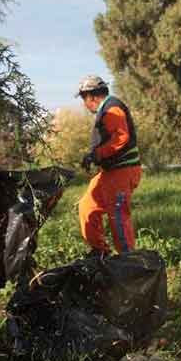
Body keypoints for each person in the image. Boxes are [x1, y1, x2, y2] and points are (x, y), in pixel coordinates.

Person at [76, 75, 142, 256]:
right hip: (109, 172)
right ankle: (100, 251)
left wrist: (97, 154)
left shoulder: (113, 108)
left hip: (123, 171)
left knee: (118, 217)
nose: (84, 103)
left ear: (92, 96)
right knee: (87, 206)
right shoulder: (105, 110)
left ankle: (129, 261)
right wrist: (92, 155)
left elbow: (121, 137)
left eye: (83, 99)